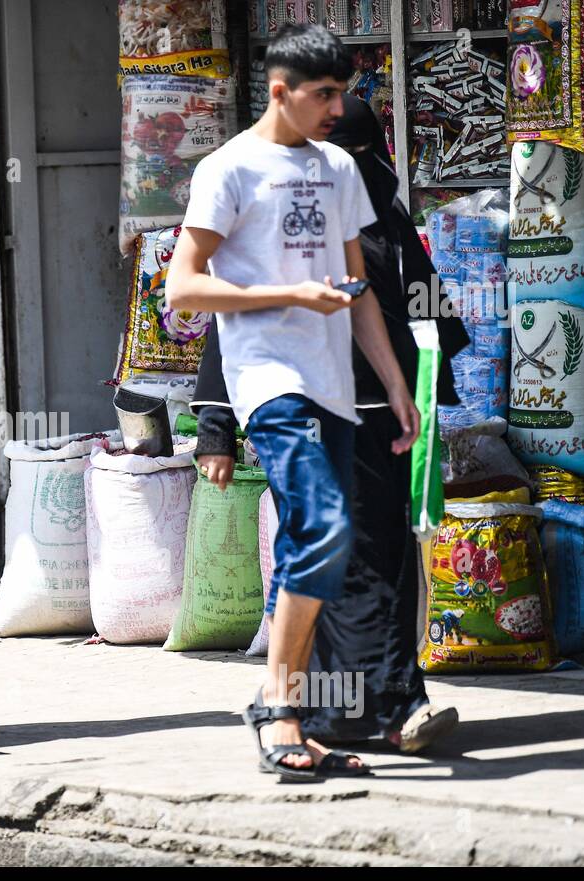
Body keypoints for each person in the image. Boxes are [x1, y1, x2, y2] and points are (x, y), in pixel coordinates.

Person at [166, 24, 420, 780]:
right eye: (324, 94)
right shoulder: (229, 169)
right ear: (280, 91)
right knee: (327, 528)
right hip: (270, 383)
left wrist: (397, 386)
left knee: (323, 542)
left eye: (342, 92)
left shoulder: (341, 167)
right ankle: (277, 706)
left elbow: (358, 290)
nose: (337, 107)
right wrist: (287, 296)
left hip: (339, 389)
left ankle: (295, 714)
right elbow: (183, 287)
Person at [191, 94, 468, 758]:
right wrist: (215, 425)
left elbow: (427, 318)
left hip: (390, 423)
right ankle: (374, 708)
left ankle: (355, 709)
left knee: (385, 563)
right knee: (354, 564)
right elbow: (228, 321)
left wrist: (428, 398)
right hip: (316, 416)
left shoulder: (387, 222)